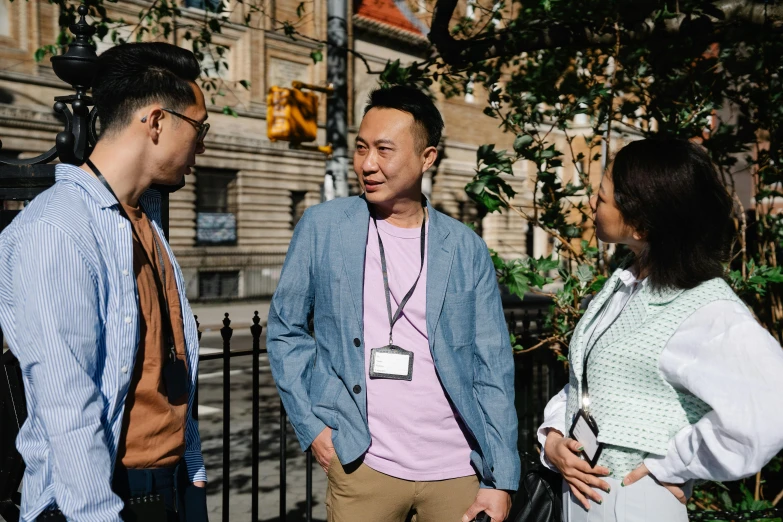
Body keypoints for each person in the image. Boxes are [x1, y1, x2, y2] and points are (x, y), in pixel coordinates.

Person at [267, 85, 520, 522]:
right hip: (364, 464)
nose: (367, 164)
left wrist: (501, 479)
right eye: (362, 148)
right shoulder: (324, 227)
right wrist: (312, 428)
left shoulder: (464, 247)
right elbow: (285, 330)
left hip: (457, 471)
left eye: (384, 150)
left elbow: (492, 367)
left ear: (427, 157)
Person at [0, 42, 210, 522]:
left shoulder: (144, 216)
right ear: (157, 122)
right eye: (199, 128)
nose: (203, 145)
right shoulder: (57, 230)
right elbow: (66, 401)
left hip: (171, 481)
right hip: (102, 495)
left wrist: (190, 464)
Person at [537, 138, 783, 522]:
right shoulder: (624, 283)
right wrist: (553, 437)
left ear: (640, 222)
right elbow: (590, 379)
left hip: (634, 503)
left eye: (602, 198)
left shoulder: (706, 308)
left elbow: (769, 409)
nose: (591, 204)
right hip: (585, 502)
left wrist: (672, 463)